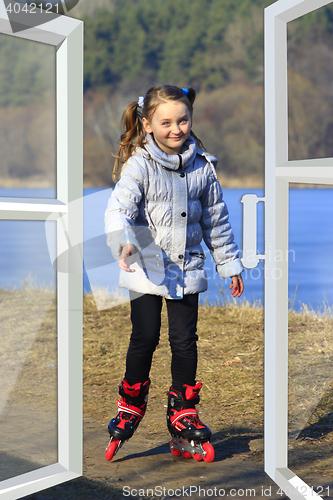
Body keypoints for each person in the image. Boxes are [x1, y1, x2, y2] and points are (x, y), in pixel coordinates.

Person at [104, 84, 244, 461]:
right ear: (148, 124)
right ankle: (131, 399)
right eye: (166, 122)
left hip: (187, 270)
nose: (176, 129)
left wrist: (229, 264)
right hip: (145, 266)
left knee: (185, 341)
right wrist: (124, 242)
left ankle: (183, 409)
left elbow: (218, 221)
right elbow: (118, 208)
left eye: (183, 120)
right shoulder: (140, 164)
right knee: (144, 337)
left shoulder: (203, 167)